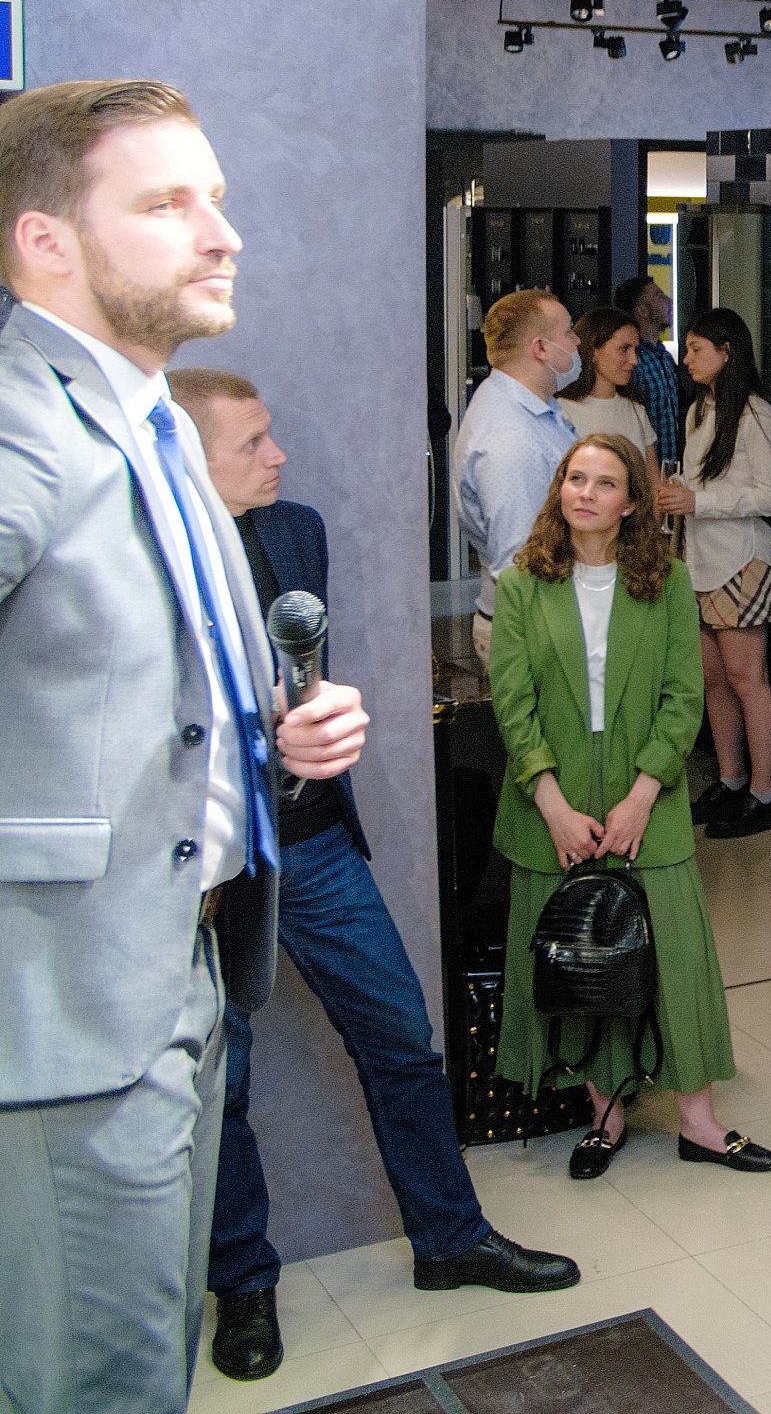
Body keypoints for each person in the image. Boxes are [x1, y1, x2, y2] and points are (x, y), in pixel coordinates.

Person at [0, 79, 369, 1414]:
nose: (223, 233)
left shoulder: (156, 421)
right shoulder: (23, 421)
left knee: (147, 1368)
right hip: (65, 1012)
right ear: (47, 240)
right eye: (167, 203)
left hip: (187, 975)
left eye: (215, 198)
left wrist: (279, 735)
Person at [170, 369, 578, 1380]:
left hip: (310, 842)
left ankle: (450, 1237)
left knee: (401, 1037)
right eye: (253, 443)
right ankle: (243, 1282)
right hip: (205, 866)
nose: (280, 455)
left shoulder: (295, 532)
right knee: (224, 1082)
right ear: (186, 459)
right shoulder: (147, 556)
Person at [490, 436, 771, 1180]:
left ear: (630, 503)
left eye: (605, 482)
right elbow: (513, 707)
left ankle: (700, 1124)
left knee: (676, 955)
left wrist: (645, 793)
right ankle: (605, 1117)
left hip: (647, 790)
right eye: (575, 478)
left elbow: (684, 698)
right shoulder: (521, 585)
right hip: (552, 797)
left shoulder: (667, 582)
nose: (585, 493)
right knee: (578, 959)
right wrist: (552, 804)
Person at [656, 308, 771, 838]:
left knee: (746, 678)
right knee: (712, 678)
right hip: (700, 559)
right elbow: (700, 488)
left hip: (742, 559)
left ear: (727, 352)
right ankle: (731, 779)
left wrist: (699, 501)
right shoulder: (698, 410)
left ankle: (766, 790)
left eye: (696, 349)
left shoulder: (755, 414)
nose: (687, 359)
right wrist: (681, 498)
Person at [454, 288, 580, 668]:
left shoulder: (533, 408)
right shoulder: (510, 435)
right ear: (540, 348)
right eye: (569, 331)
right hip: (535, 628)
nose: (577, 342)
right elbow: (522, 561)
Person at [558, 304, 659, 477]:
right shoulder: (563, 411)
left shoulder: (636, 410)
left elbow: (653, 482)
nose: (634, 360)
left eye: (635, 350)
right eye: (624, 349)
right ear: (593, 351)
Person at [612, 274, 685, 473]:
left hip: (670, 472)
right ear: (642, 311)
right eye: (659, 296)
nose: (669, 301)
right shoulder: (633, 362)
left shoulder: (664, 356)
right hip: (643, 472)